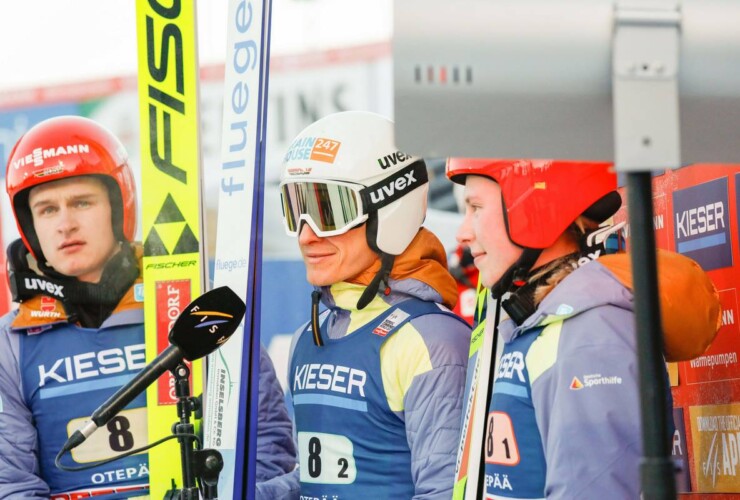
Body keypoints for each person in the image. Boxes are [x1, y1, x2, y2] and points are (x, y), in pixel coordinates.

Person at [0, 116, 296, 499]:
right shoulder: (13, 344)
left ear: (118, 205)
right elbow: (13, 484)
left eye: (81, 202)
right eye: (46, 209)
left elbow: (265, 443)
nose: (65, 224)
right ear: (30, 224)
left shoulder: (188, 305)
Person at [446, 158, 720, 499]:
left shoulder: (591, 338)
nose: (463, 233)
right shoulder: (541, 324)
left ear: (533, 209)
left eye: (476, 207)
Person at [260, 110, 471, 499]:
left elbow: (443, 491)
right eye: (295, 208)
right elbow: (313, 481)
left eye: (328, 211)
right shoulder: (310, 335)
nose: (306, 235)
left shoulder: (430, 342)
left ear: (389, 209)